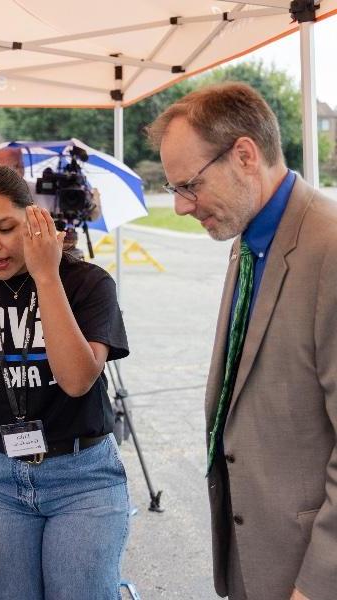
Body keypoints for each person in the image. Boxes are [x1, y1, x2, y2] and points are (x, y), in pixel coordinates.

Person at [147, 82, 337, 600]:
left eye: (188, 185)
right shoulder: (249, 239)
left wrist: (317, 586)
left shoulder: (329, 248)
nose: (182, 207)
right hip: (255, 558)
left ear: (245, 155)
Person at [0, 164, 130, 600]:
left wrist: (46, 275)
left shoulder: (87, 283)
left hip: (83, 479)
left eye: (6, 227)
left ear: (34, 219)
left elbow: (77, 380)